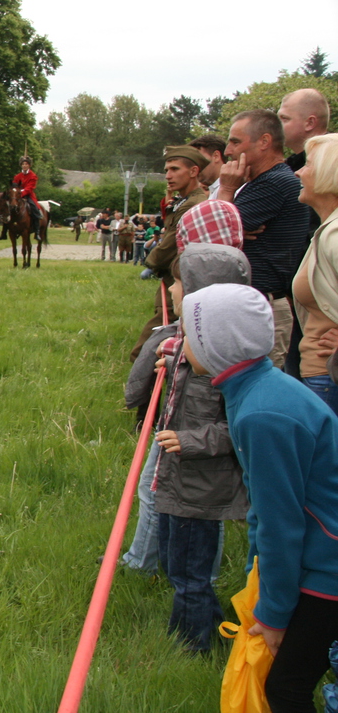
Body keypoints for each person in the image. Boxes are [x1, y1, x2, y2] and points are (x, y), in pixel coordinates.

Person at [191, 283, 338, 712]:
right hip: (319, 557)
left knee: (285, 689)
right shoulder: (259, 390)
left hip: (327, 570)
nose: (182, 343)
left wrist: (273, 614)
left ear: (218, 346)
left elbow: (281, 523)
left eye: (190, 333)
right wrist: (258, 567)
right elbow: (265, 506)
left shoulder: (262, 415)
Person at [147, 245, 251, 653]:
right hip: (177, 479)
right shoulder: (189, 349)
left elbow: (239, 427)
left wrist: (192, 441)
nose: (170, 289)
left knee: (190, 573)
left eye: (177, 282)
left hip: (201, 485)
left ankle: (191, 647)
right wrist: (169, 363)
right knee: (177, 565)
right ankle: (212, 628)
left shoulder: (226, 361)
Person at [217, 109, 311, 367]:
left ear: (264, 142)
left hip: (259, 306)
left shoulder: (274, 184)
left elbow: (210, 238)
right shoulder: (261, 183)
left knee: (247, 393)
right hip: (254, 304)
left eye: (236, 141)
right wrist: (233, 225)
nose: (227, 150)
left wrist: (226, 192)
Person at [130, 144, 210, 361]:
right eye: (166, 170)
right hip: (174, 278)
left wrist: (151, 263)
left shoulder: (194, 203)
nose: (168, 175)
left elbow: (171, 242)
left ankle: (144, 392)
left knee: (146, 349)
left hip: (181, 279)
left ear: (194, 172)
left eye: (175, 169)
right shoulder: (183, 201)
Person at [290, 133, 338, 414]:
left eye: (308, 165)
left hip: (328, 377)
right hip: (322, 374)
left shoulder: (334, 234)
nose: (299, 171)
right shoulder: (328, 229)